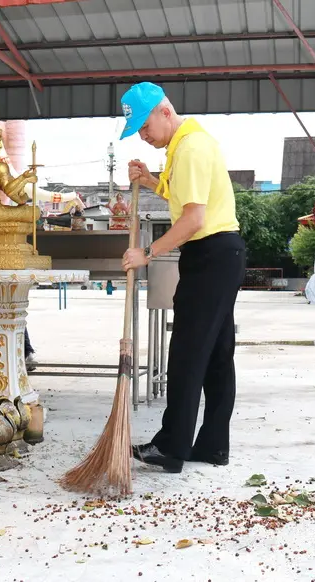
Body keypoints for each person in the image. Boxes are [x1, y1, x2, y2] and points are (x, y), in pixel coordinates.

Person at [119, 82, 246, 473]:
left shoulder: (190, 148)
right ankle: (212, 446)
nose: (143, 136)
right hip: (222, 254)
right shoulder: (187, 144)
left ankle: (171, 447)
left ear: (165, 112)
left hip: (210, 254)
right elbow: (184, 197)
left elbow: (193, 219)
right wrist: (150, 180)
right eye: (137, 131)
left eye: (144, 126)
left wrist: (147, 253)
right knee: (217, 355)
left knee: (187, 354)